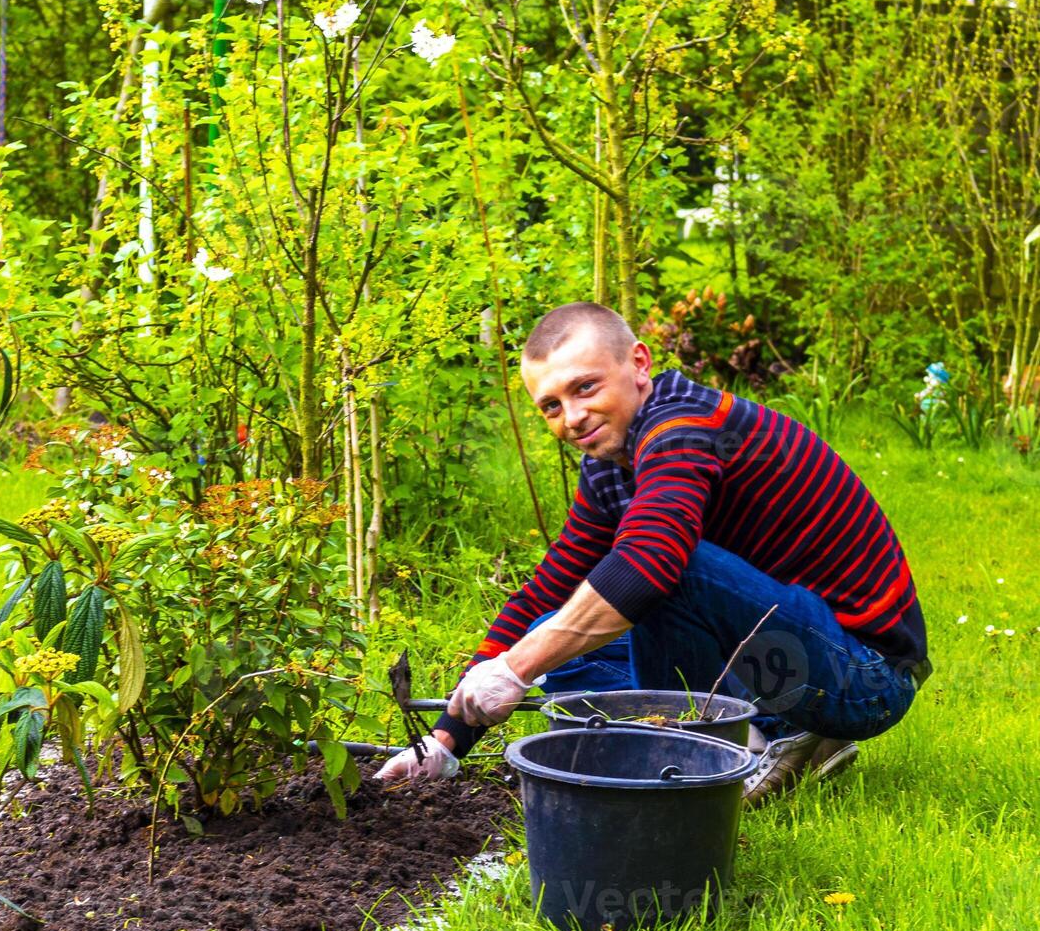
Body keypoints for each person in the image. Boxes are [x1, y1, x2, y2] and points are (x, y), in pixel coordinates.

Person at [376, 302, 932, 805]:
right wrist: (447, 739)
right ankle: (774, 733)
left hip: (868, 677)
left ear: (638, 363)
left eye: (585, 388)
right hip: (790, 657)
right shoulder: (609, 469)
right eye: (551, 406)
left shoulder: (685, 427)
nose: (571, 418)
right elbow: (545, 593)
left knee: (663, 572)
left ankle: (735, 751)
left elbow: (650, 563)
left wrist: (515, 668)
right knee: (563, 646)